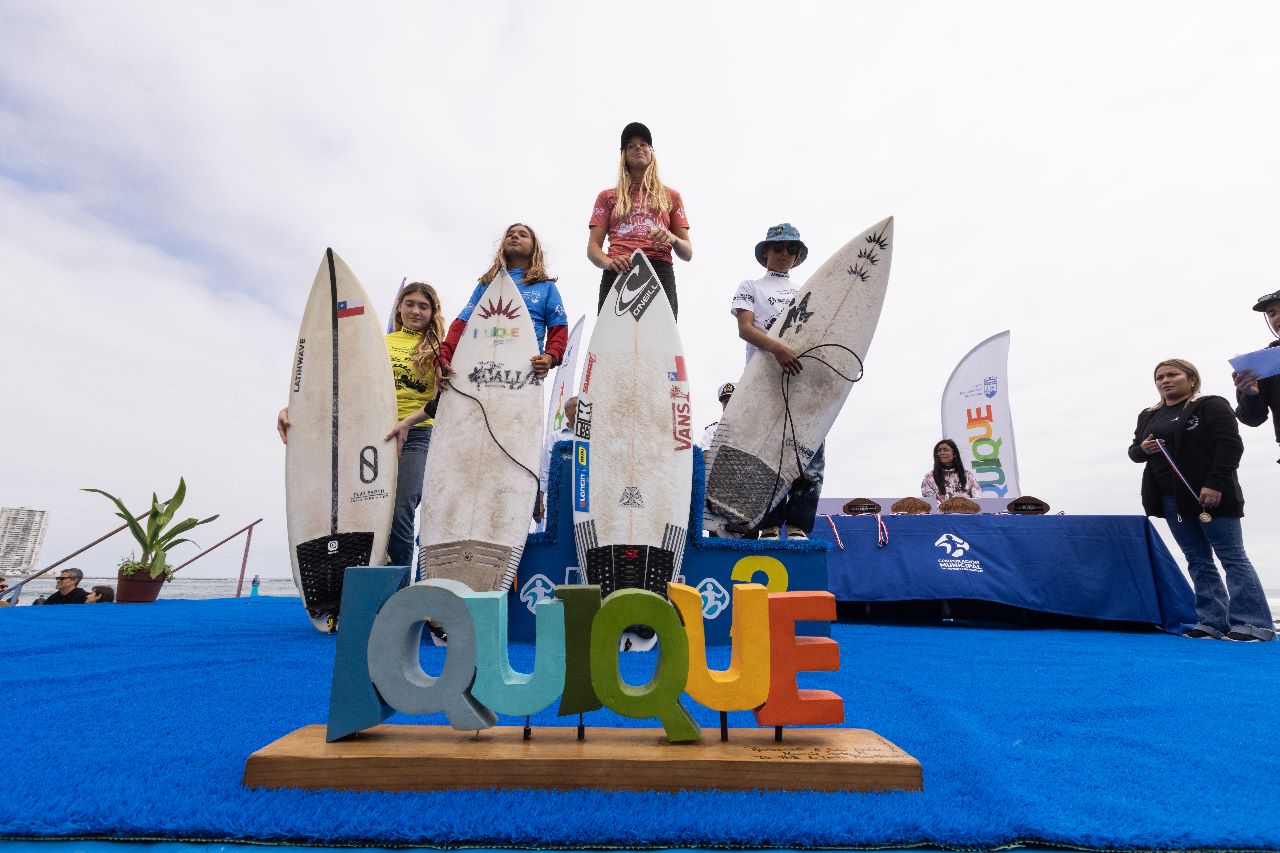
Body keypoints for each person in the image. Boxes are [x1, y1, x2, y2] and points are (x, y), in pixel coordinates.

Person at [277, 281, 447, 568]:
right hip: (374, 435)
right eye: (410, 304)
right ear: (399, 307)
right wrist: (293, 408)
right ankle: (364, 581)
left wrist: (407, 423)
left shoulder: (438, 349)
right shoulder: (378, 343)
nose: (416, 311)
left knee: (400, 511)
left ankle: (400, 594)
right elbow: (342, 385)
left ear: (433, 313)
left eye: (423, 306)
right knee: (362, 510)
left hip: (417, 435)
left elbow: (442, 398)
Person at [1128, 358, 1274, 641]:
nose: (1165, 381)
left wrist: (1214, 484)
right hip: (1170, 498)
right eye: (1159, 377)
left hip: (1210, 494)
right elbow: (1134, 453)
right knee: (1197, 559)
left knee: (1231, 556)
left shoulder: (1210, 405)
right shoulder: (1147, 415)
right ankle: (1212, 621)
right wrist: (1143, 448)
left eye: (1172, 374)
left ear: (1191, 379)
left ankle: (1254, 625)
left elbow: (1230, 445)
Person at [729, 223, 822, 540]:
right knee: (765, 453)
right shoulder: (750, 285)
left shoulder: (806, 289)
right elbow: (745, 328)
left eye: (791, 250)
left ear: (797, 256)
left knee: (808, 453)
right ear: (766, 251)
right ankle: (768, 524)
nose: (784, 254)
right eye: (778, 248)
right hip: (762, 382)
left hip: (801, 382)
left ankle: (798, 525)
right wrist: (779, 349)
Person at [438, 223, 568, 381]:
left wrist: (550, 356)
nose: (514, 236)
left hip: (523, 370)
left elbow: (558, 328)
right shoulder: (487, 284)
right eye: (510, 234)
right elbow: (461, 324)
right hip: (479, 367)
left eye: (523, 234)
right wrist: (443, 357)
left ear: (534, 248)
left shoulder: (546, 286)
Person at [588, 122, 692, 319]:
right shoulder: (607, 196)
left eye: (644, 144)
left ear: (652, 151)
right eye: (631, 145)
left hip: (659, 267)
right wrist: (609, 263)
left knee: (659, 338)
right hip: (619, 267)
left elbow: (687, 252)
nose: (638, 147)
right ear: (623, 155)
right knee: (614, 341)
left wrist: (673, 238)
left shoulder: (672, 196)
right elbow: (593, 248)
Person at [1232, 289, 1280, 462]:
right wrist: (1250, 395)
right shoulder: (1262, 362)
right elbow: (1252, 419)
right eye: (1272, 313)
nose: (1277, 317)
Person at [536, 396, 577, 525]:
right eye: (577, 405)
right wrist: (539, 502)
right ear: (567, 411)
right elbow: (545, 470)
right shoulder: (555, 437)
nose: (582, 407)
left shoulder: (594, 436)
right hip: (561, 495)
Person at [698, 383, 735, 450]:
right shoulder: (711, 431)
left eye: (732, 400)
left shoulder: (752, 428)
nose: (728, 404)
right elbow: (705, 455)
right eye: (725, 402)